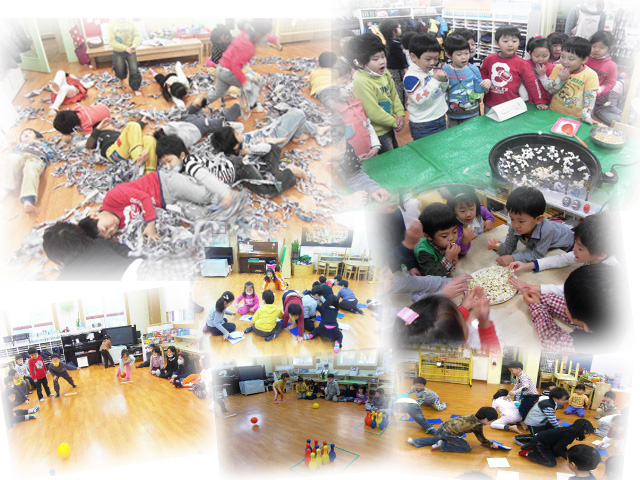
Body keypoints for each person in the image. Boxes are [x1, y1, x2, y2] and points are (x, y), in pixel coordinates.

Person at [78, 167, 223, 243]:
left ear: (94, 215)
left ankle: (226, 190)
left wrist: (151, 224)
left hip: (163, 183)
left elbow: (144, 198)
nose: (112, 229)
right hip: (168, 204)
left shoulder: (112, 198)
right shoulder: (121, 226)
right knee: (202, 215)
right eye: (110, 234)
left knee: (203, 196)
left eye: (105, 228)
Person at [522, 264, 620, 352]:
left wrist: (536, 307)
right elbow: (576, 307)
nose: (565, 305)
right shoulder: (604, 312)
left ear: (586, 326)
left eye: (566, 304)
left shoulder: (587, 346)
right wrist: (541, 298)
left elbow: (551, 340)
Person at [509, 213, 617, 283]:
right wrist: (527, 265)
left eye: (580, 249)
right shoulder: (593, 255)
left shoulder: (606, 275)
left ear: (601, 254)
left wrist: (538, 289)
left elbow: (572, 291)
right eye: (575, 244)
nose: (574, 249)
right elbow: (561, 259)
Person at [208, 125, 309, 199]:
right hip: (241, 167)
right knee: (267, 173)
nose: (239, 132)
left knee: (267, 190)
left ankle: (290, 171)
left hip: (243, 167)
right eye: (237, 133)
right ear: (235, 146)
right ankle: (272, 148)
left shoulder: (230, 154)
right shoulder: (233, 163)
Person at [487, 186, 574, 266]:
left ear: (538, 219)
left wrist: (513, 258)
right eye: (512, 218)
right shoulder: (515, 227)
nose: (515, 225)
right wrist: (498, 246)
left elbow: (537, 255)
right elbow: (509, 247)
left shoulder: (547, 230)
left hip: (565, 244)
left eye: (521, 221)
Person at [206, 19, 281, 111]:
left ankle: (196, 105)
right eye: (262, 36)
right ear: (257, 34)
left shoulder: (245, 33)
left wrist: (276, 42)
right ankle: (252, 107)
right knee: (253, 86)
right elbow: (235, 66)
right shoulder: (248, 47)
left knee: (216, 93)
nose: (262, 39)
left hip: (221, 69)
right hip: (229, 72)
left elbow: (267, 37)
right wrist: (245, 83)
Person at [347, 33, 405, 152]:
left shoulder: (384, 72)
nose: (382, 62)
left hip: (388, 125)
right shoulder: (360, 80)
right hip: (378, 132)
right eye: (375, 59)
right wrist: (394, 122)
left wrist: (400, 113)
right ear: (359, 63)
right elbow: (372, 111)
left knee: (395, 152)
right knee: (388, 158)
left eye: (383, 56)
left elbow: (393, 94)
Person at [395, 286, 501, 350]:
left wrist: (464, 307)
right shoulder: (471, 353)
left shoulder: (409, 334)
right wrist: (484, 323)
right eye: (460, 317)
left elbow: (442, 323)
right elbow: (494, 357)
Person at [480, 25, 544, 111]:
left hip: (512, 105)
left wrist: (538, 101)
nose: (510, 45)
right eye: (505, 41)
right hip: (490, 104)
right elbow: (482, 73)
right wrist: (485, 83)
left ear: (519, 43)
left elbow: (532, 82)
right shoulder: (489, 59)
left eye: (514, 41)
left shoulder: (522, 63)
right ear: (496, 43)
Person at [329, 119, 390, 208]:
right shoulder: (309, 166)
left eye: (342, 138)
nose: (342, 146)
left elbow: (355, 175)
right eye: (334, 143)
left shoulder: (345, 149)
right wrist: (343, 202)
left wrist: (372, 189)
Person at [542, 36, 600, 124]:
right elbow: (550, 90)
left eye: (571, 59)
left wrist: (586, 116)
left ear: (584, 60)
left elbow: (589, 99)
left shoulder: (590, 75)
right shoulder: (558, 68)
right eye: (562, 56)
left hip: (575, 118)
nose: (565, 61)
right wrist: (560, 80)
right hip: (554, 112)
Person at [403, 33, 448, 139]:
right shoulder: (411, 77)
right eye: (428, 59)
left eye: (436, 58)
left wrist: (444, 80)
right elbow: (419, 99)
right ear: (413, 56)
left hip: (440, 116)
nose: (433, 62)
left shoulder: (431, 70)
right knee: (425, 149)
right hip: (423, 124)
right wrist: (435, 80)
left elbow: (441, 90)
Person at [1, 128, 56, 213]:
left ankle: (28, 199)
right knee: (11, 159)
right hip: (20, 156)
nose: (26, 134)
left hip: (35, 158)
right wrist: (11, 149)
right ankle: (8, 186)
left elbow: (51, 154)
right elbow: (8, 162)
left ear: (36, 137)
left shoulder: (39, 143)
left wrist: (37, 143)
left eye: (30, 133)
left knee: (31, 169)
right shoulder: (19, 146)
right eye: (23, 134)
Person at [442, 34, 491, 127]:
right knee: (454, 134)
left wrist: (486, 84)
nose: (464, 57)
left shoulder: (473, 69)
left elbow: (478, 88)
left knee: (471, 134)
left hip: (472, 113)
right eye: (459, 54)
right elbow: (442, 89)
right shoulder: (445, 70)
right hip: (452, 114)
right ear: (448, 55)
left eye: (466, 53)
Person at [407, 407, 500, 452]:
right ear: (486, 419)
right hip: (449, 434)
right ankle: (444, 445)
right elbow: (481, 439)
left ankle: (415, 441)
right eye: (491, 421)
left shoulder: (472, 415)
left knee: (438, 438)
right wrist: (492, 444)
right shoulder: (477, 425)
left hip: (442, 427)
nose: (491, 423)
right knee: (467, 448)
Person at [519, 419, 594, 467]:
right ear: (581, 430)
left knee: (557, 454)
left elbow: (561, 445)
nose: (585, 434)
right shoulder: (569, 436)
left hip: (544, 440)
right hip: (539, 442)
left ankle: (532, 446)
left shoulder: (570, 430)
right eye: (586, 432)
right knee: (551, 463)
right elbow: (557, 448)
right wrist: (567, 457)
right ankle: (527, 453)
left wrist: (566, 454)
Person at [414, 202, 460, 276]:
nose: (452, 238)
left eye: (454, 232)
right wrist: (448, 258)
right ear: (428, 236)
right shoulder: (424, 252)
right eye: (444, 236)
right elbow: (433, 276)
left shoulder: (446, 240)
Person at [444, 188, 495, 256]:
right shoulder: (455, 226)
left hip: (483, 247)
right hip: (469, 253)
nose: (468, 214)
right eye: (462, 211)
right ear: (454, 211)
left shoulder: (479, 210)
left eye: (472, 209)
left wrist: (489, 220)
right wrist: (463, 241)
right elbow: (459, 250)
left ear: (476, 205)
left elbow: (489, 215)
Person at [587, 31, 621, 124]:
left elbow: (611, 83)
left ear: (610, 48)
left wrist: (599, 91)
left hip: (596, 98)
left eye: (601, 47)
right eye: (594, 46)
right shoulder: (585, 59)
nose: (596, 50)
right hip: (579, 93)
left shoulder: (611, 65)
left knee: (588, 117)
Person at [107, 18, 141, 95]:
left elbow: (136, 35)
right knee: (119, 68)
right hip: (118, 51)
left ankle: (135, 87)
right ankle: (121, 80)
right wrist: (125, 48)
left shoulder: (130, 22)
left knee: (134, 68)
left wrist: (134, 44)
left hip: (131, 50)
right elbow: (111, 41)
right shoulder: (112, 24)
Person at [380, 19, 408, 107]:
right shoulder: (394, 44)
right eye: (399, 27)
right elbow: (402, 57)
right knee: (399, 87)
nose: (400, 29)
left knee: (398, 87)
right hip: (396, 69)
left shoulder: (392, 42)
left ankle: (402, 104)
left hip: (394, 68)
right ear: (393, 31)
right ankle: (401, 105)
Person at [521, 36, 554, 108]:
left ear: (550, 54)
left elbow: (551, 88)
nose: (541, 59)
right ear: (530, 54)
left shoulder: (551, 68)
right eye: (537, 56)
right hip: (526, 101)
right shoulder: (524, 64)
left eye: (545, 56)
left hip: (545, 102)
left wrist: (543, 75)